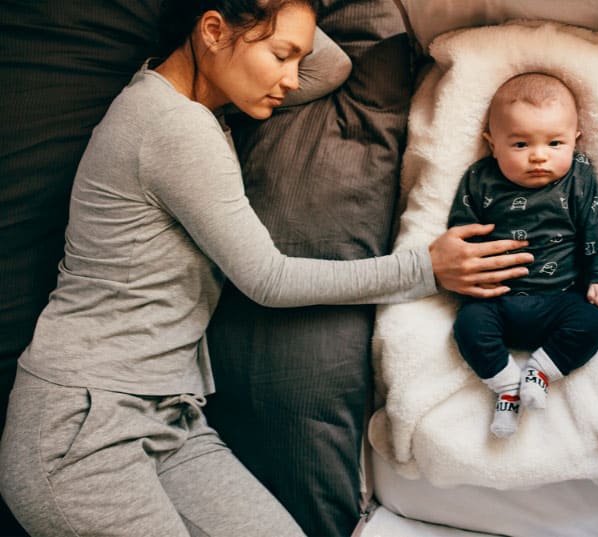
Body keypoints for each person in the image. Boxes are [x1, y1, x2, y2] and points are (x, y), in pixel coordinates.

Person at [0, 1, 534, 536]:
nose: (290, 77)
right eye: (281, 56)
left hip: (169, 418)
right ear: (211, 29)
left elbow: (330, 68)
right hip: (84, 427)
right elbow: (269, 280)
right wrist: (425, 269)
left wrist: (288, 22)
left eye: (293, 56)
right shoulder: (171, 126)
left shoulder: (202, 105)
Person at [448, 72, 598, 438]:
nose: (539, 156)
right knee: (467, 327)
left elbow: (597, 225)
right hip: (497, 299)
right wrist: (470, 278)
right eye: (521, 145)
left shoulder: (578, 177)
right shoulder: (479, 179)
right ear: (492, 144)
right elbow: (461, 234)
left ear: (576, 140)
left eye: (555, 143)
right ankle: (507, 386)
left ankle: (539, 371)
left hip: (560, 299)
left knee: (593, 324)